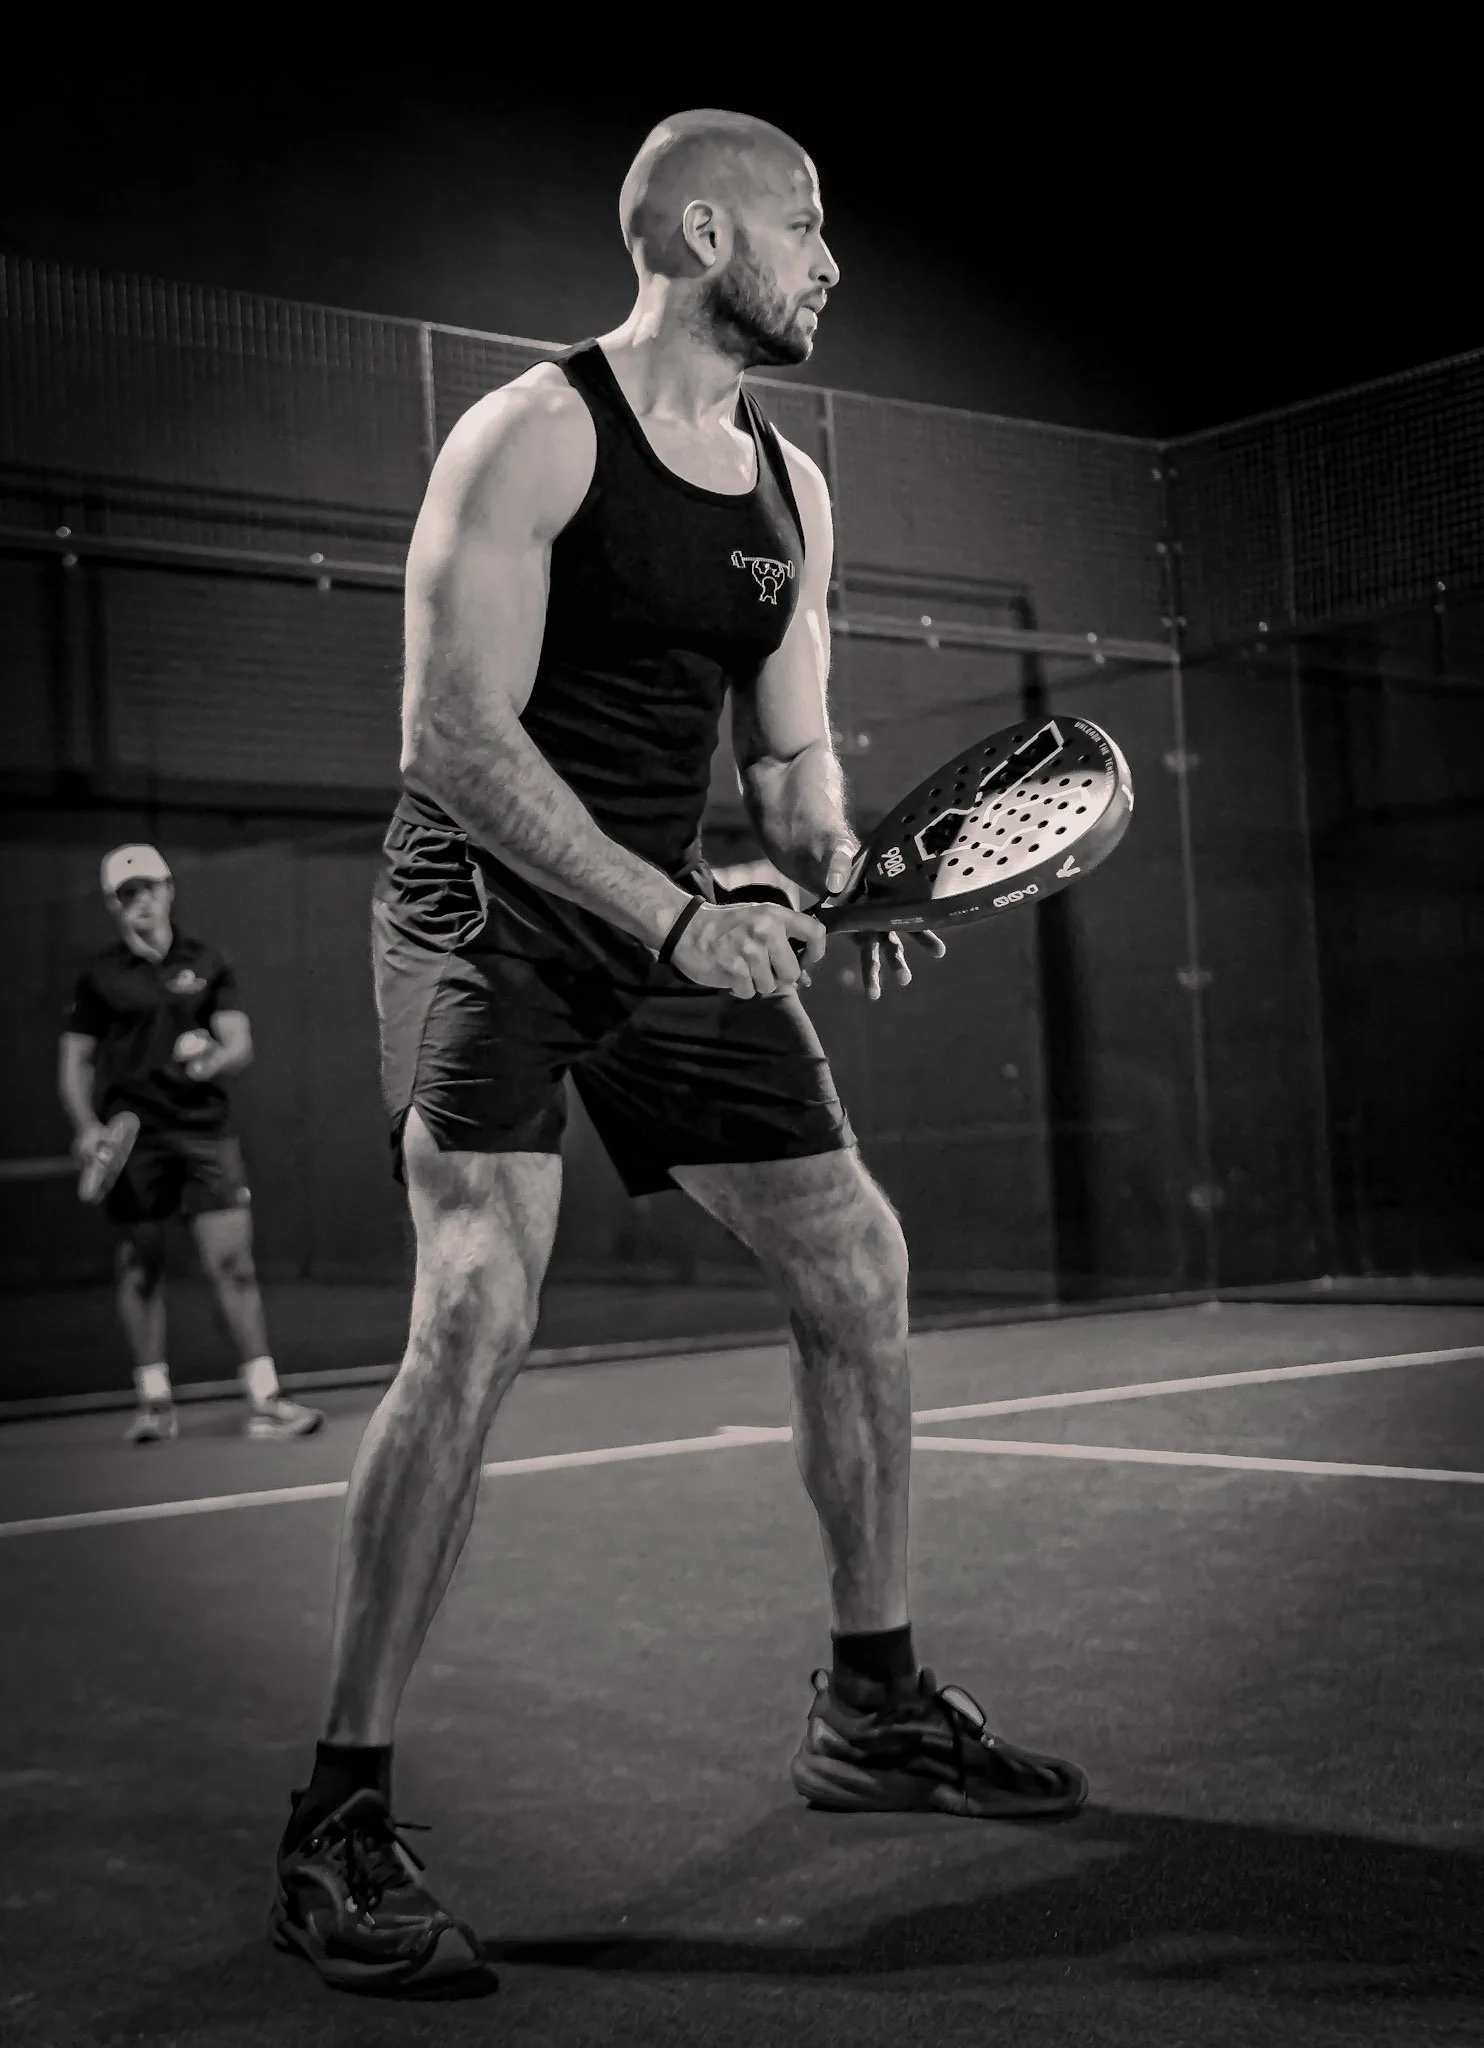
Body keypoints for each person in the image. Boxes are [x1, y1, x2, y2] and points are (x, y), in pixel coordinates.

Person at [271, 108, 1088, 1994]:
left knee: (850, 1256)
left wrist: (834, 869)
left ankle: (871, 1709)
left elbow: (791, 764)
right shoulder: (533, 431)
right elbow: (451, 739)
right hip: (484, 902)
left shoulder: (791, 491)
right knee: (476, 1297)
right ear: (699, 231)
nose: (826, 261)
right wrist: (672, 917)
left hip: (663, 902)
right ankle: (335, 1816)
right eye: (804, 226)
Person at [58, 843, 324, 1445]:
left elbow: (239, 1043)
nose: (141, 902)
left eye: (148, 888)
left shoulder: (207, 961)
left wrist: (210, 1063)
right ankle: (154, 1402)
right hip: (132, 1140)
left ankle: (265, 1399)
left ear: (169, 889)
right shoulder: (98, 978)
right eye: (127, 895)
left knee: (232, 1263)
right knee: (140, 1266)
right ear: (112, 906)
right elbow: (75, 1062)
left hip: (204, 1134)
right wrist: (85, 1126)